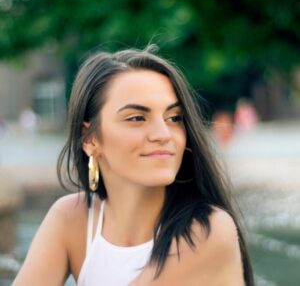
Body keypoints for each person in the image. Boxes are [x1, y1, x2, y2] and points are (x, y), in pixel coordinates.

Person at [13, 46, 254, 285]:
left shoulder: (208, 230)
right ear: (90, 139)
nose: (163, 134)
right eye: (137, 118)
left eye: (173, 118)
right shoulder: (71, 218)